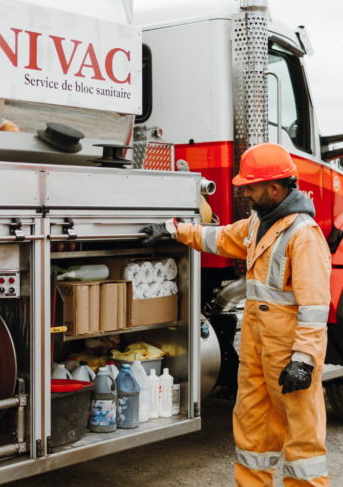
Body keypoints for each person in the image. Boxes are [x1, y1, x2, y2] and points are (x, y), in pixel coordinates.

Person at [141, 142, 330, 487]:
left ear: (275, 188)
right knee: (252, 430)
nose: (244, 193)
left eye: (251, 188)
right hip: (257, 351)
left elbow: (314, 308)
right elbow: (220, 236)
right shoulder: (260, 223)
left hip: (289, 355)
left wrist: (303, 360)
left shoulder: (303, 235)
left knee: (303, 440)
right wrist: (174, 231)